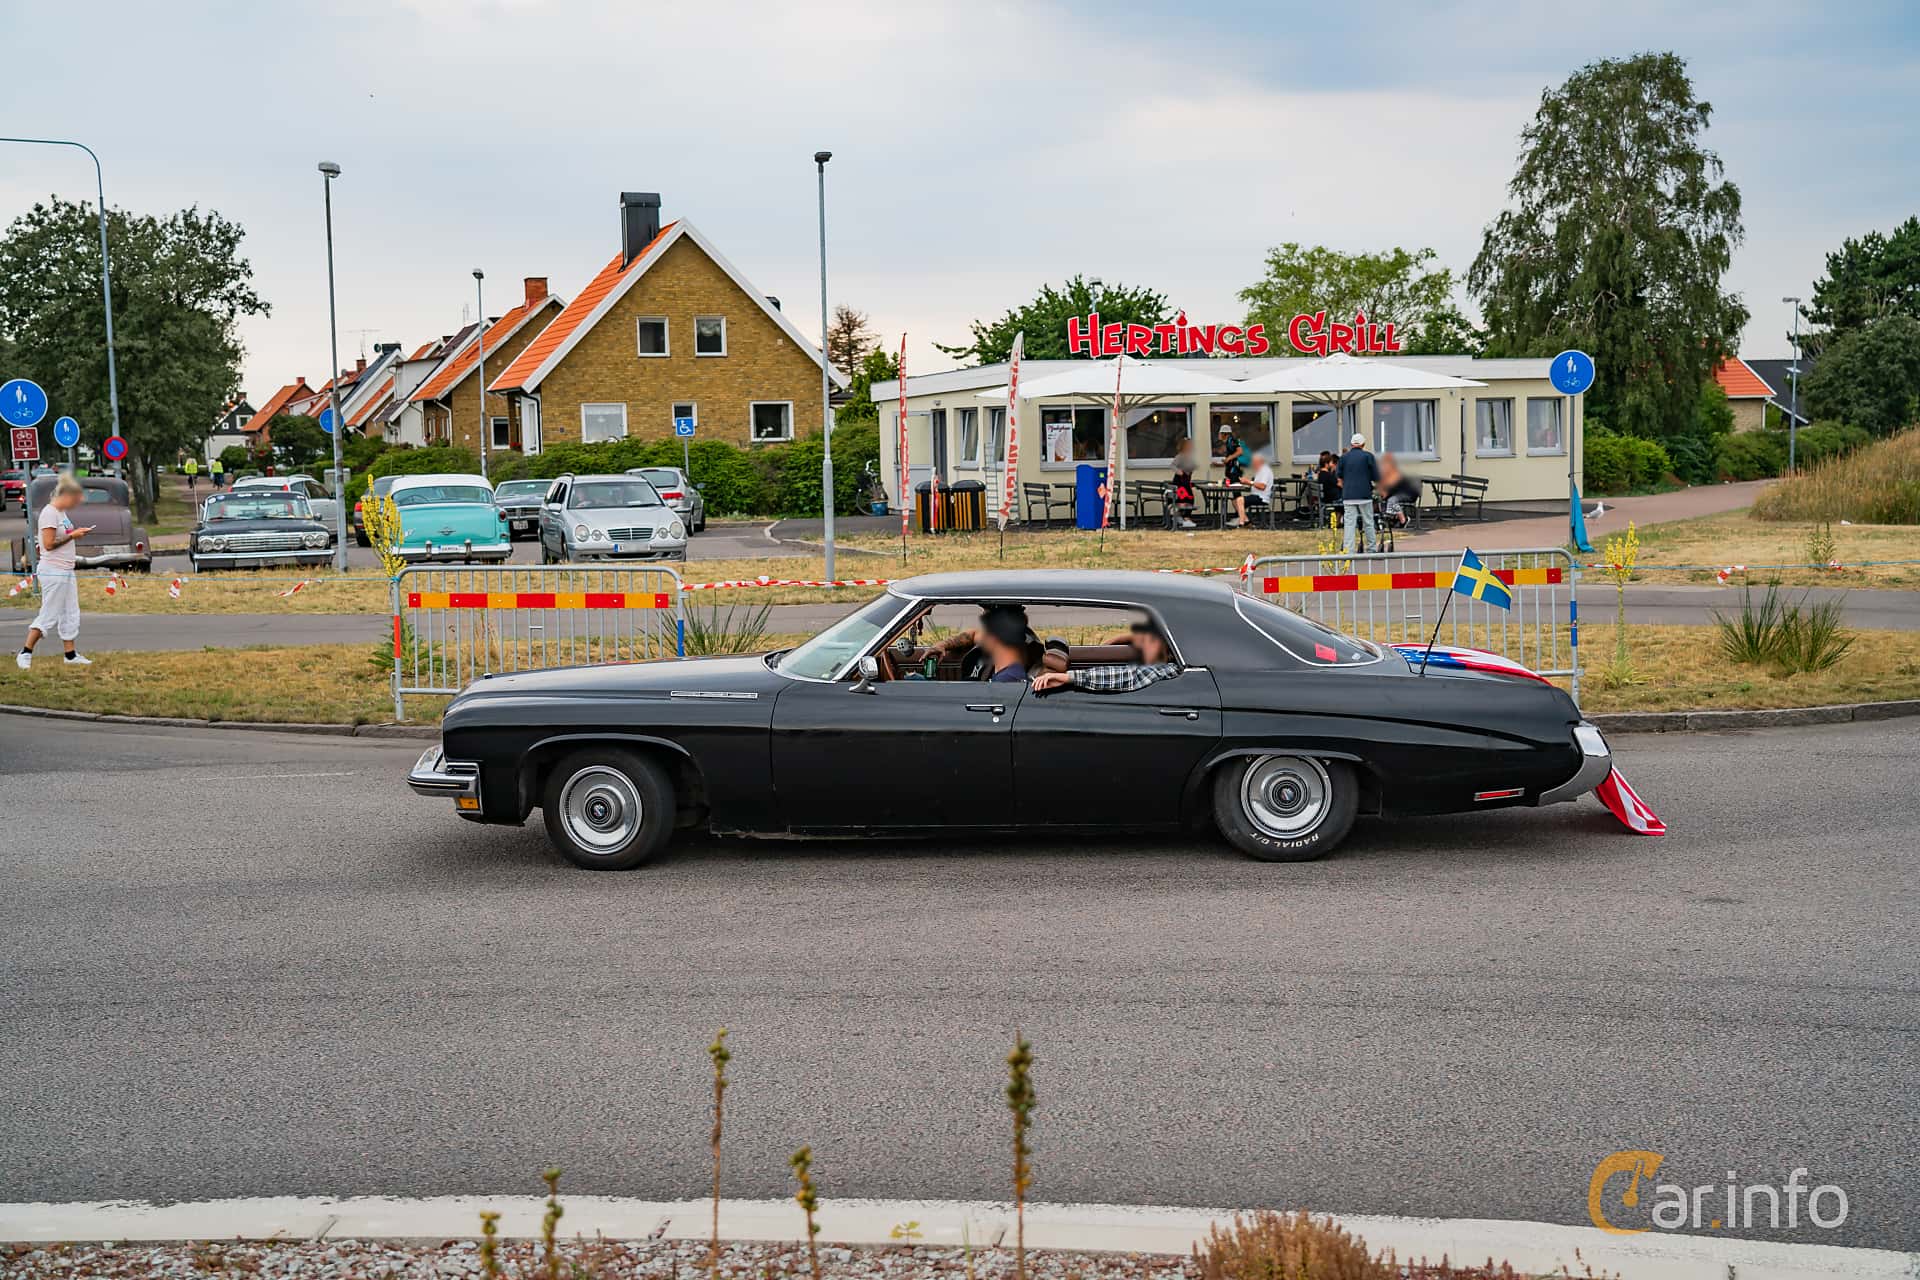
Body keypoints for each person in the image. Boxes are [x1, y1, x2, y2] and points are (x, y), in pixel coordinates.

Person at [18, 475, 95, 669]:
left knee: (70, 612)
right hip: (54, 570)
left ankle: (70, 655)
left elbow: (64, 535)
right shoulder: (49, 513)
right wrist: (73, 536)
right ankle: (25, 652)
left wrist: (77, 532)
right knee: (49, 613)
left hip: (66, 569)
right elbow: (49, 544)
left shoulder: (62, 514)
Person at [1032, 623, 1180, 694]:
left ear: (1169, 650)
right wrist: (1110, 644)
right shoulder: (1160, 659)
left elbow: (1124, 676)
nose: (1141, 644)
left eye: (1151, 641)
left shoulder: (1168, 670)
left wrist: (1066, 677)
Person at [1337, 432, 1380, 554]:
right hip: (1364, 495)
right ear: (1363, 444)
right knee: (1368, 522)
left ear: (1351, 444)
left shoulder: (1343, 458)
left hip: (1348, 495)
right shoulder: (1368, 457)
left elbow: (1339, 475)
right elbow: (1376, 476)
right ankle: (1371, 548)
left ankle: (1348, 550)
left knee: (1349, 524)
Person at [1227, 449, 1275, 528]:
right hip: (1256, 495)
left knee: (1239, 500)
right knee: (1235, 501)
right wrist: (1246, 483)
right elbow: (1255, 484)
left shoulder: (1265, 470)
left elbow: (1262, 486)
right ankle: (1247, 522)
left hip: (1261, 497)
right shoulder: (1260, 471)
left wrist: (1249, 482)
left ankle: (1241, 524)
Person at [1379, 452, 1421, 528]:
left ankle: (1403, 520)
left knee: (1391, 500)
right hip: (1397, 493)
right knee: (1388, 501)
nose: (1383, 466)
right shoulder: (1387, 474)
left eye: (1385, 464)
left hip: (1408, 494)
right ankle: (1393, 519)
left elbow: (1391, 489)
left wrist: (1383, 494)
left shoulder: (1395, 474)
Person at [1170, 441, 1199, 530]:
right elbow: (1172, 466)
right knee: (1186, 499)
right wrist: (1180, 472)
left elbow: (1192, 466)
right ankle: (1186, 519)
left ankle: (1180, 517)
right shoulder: (1180, 456)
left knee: (1189, 498)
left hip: (1186, 481)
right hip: (1180, 482)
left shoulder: (1188, 457)